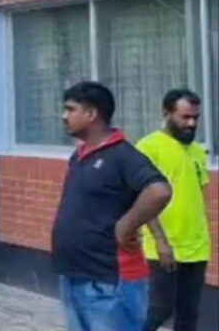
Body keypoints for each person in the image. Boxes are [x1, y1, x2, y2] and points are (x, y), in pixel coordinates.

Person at [51, 82, 172, 331]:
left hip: (109, 281)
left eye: (70, 109)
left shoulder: (122, 155)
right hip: (75, 275)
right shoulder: (80, 155)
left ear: (91, 114)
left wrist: (125, 227)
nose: (64, 116)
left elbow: (158, 191)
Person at [137, 89, 211, 331]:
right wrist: (161, 241)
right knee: (160, 309)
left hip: (196, 248)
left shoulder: (197, 151)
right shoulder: (148, 147)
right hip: (164, 247)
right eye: (185, 117)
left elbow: (197, 196)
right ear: (167, 113)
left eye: (195, 118)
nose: (191, 123)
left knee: (189, 314)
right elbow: (140, 198)